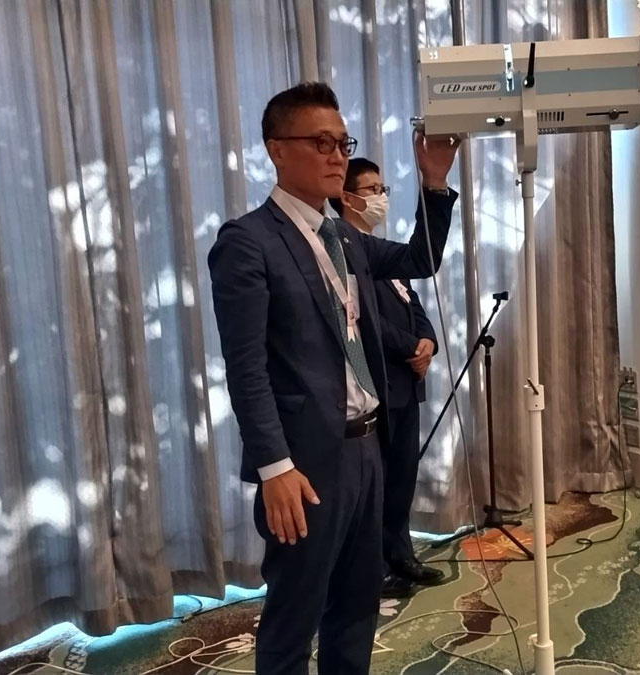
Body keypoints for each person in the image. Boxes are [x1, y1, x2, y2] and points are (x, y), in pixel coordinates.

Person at [207, 82, 458, 675]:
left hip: (368, 448)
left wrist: (434, 182)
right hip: (304, 464)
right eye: (320, 143)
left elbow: (420, 260)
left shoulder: (345, 236)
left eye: (342, 143)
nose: (337, 156)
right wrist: (274, 467)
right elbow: (246, 368)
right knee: (295, 614)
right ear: (277, 149)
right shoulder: (248, 242)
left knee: (356, 605)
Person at [329, 159, 447, 600]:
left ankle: (401, 555)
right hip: (378, 386)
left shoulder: (382, 251)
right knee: (375, 488)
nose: (381, 197)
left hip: (408, 385)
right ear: (347, 197)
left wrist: (428, 340)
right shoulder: (340, 249)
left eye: (384, 188)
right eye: (372, 189)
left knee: (402, 480)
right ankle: (374, 568)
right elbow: (363, 319)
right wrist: (409, 347)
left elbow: (412, 303)